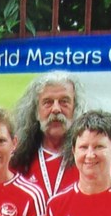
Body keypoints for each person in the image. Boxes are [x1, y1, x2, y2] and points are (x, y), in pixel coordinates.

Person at [10, 71, 85, 202]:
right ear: (36, 111)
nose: (56, 109)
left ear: (76, 108)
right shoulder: (16, 158)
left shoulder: (92, 156)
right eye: (48, 102)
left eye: (64, 101)